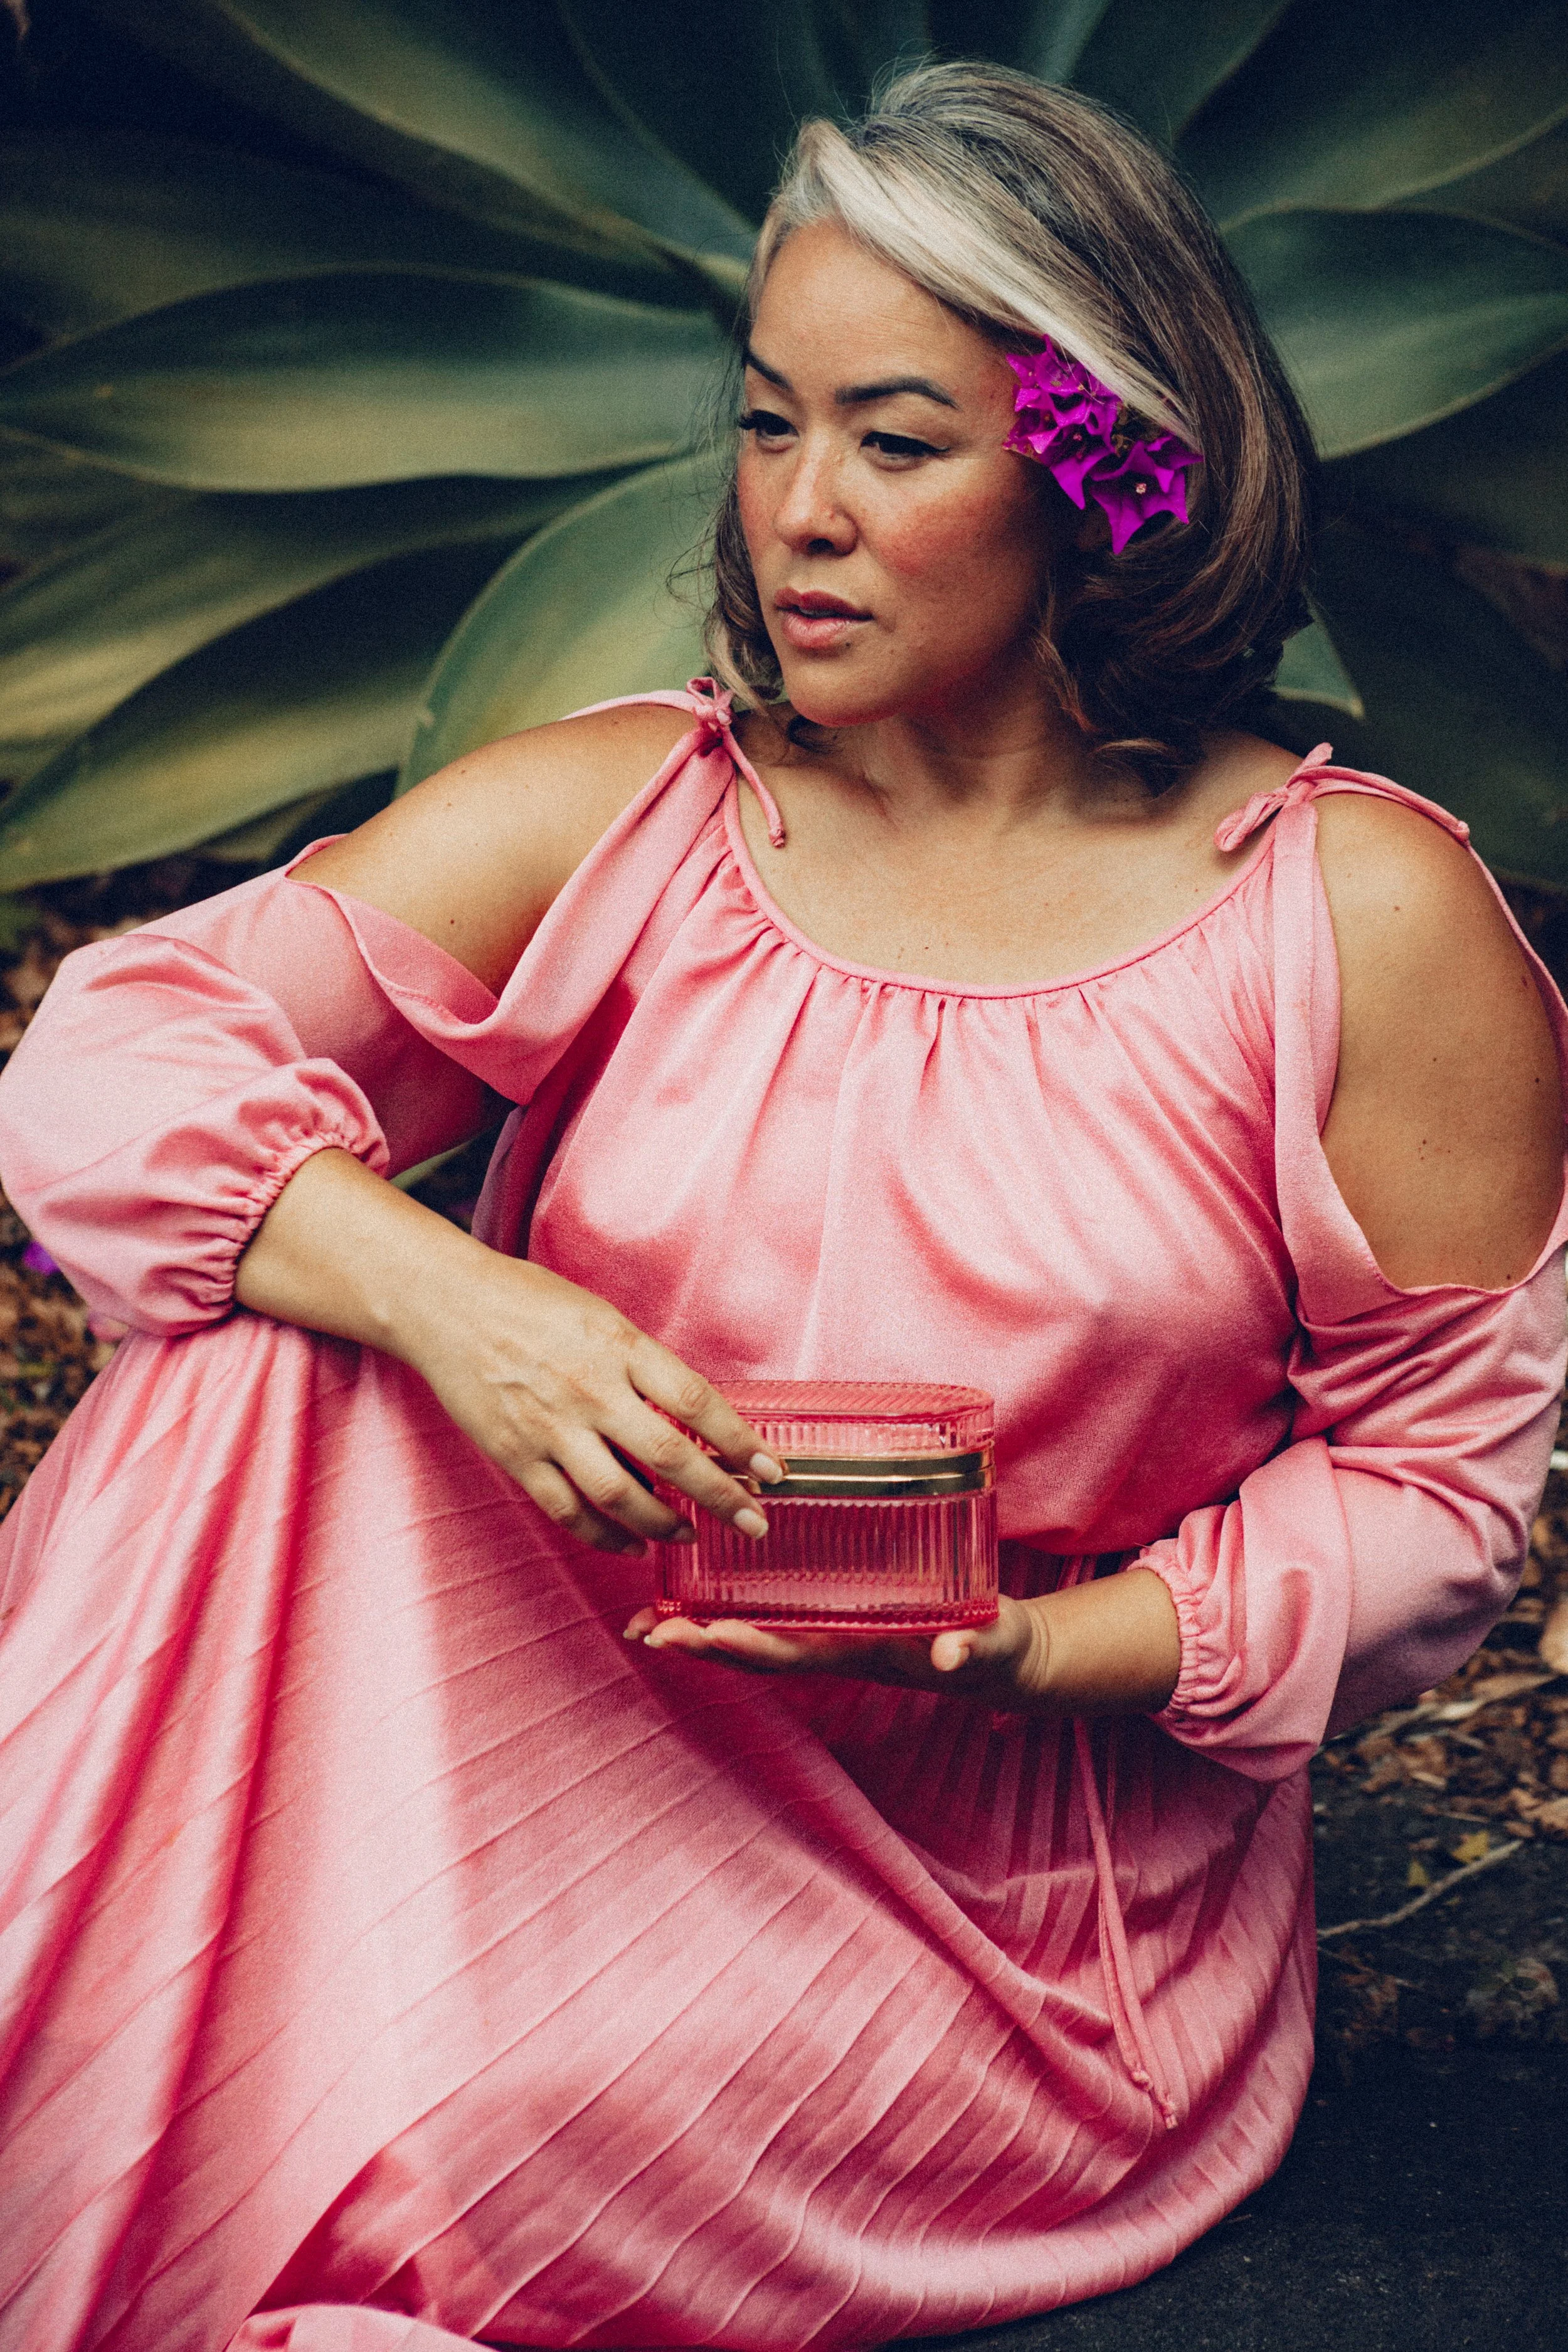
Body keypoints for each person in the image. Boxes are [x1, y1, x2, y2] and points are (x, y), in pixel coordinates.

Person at [1, 60, 1563, 2352]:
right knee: (257, 1328)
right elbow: (109, 1058)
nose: (794, 512)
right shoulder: (644, 819)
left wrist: (1045, 1642)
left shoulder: (1346, 913)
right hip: (541, 1739)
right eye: (765, 425)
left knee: (409, 2153)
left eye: (894, 442)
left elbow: (1443, 1499)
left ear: (1094, 474)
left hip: (1007, 1921)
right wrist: (454, 1295)